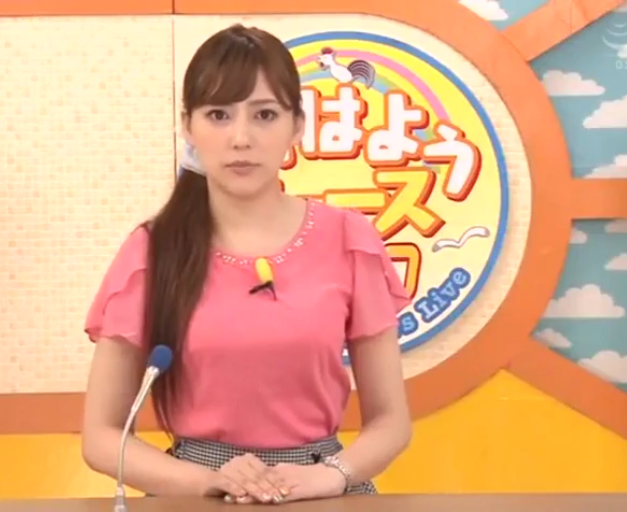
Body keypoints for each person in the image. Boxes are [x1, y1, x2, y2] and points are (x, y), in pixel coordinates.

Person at [83, 24, 412, 505]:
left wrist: (330, 476)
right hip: (193, 493)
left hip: (321, 490)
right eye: (218, 115)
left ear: (296, 126)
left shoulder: (349, 238)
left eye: (264, 115)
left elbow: (391, 422)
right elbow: (101, 437)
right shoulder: (153, 250)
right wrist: (206, 481)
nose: (241, 138)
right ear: (187, 125)